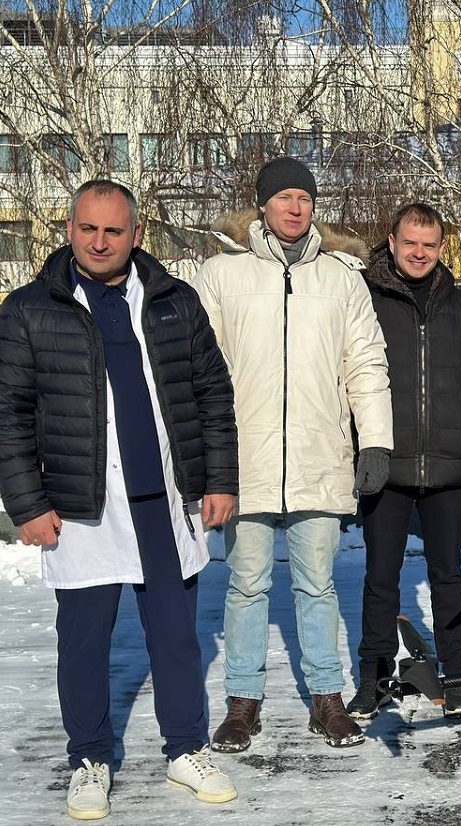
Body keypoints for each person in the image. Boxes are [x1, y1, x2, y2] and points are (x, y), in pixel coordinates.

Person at [0, 180, 239, 819]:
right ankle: (89, 758)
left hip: (163, 498)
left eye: (114, 230)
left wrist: (219, 479)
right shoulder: (30, 309)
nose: (100, 242)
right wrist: (27, 504)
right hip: (80, 503)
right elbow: (9, 412)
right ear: (70, 229)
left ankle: (186, 749)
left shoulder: (171, 299)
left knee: (176, 636)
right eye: (88, 229)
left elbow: (212, 391)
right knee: (83, 639)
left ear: (136, 234)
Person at [194, 157, 393, 752]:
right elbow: (201, 372)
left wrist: (375, 439)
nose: (295, 207)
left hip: (317, 455)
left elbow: (366, 363)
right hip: (244, 461)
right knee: (247, 584)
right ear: (262, 205)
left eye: (304, 198)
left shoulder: (342, 278)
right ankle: (243, 703)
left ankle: (328, 700)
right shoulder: (222, 276)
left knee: (317, 583)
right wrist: (206, 456)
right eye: (283, 197)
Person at [347, 203, 461, 721]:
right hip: (384, 464)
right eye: (410, 242)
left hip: (447, 465)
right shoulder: (364, 301)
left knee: (448, 574)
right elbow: (343, 371)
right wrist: (360, 440)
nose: (419, 253)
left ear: (442, 248)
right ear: (391, 243)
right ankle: (374, 677)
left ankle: (457, 676)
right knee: (381, 575)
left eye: (430, 244)